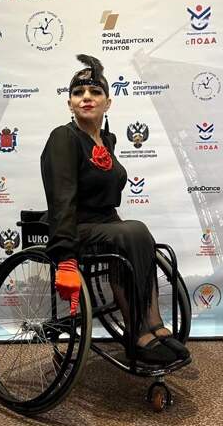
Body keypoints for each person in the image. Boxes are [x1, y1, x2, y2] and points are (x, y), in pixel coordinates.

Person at [40, 54, 190, 365]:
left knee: (138, 235)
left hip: (104, 223)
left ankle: (155, 325)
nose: (86, 98)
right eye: (78, 93)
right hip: (74, 225)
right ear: (69, 103)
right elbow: (62, 199)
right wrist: (66, 258)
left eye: (95, 92)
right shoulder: (63, 138)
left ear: (107, 102)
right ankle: (138, 334)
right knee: (131, 233)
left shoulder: (106, 140)